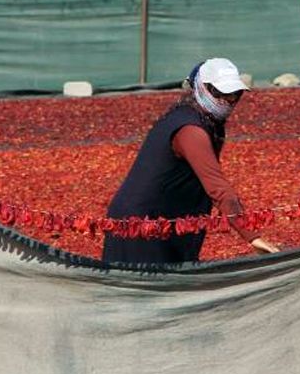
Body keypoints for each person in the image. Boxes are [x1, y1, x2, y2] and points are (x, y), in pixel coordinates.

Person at [103, 58, 280, 265]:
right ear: (200, 88)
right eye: (220, 92)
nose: (229, 99)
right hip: (140, 227)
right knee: (143, 291)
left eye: (235, 94)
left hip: (166, 223)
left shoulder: (207, 122)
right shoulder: (190, 130)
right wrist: (252, 236)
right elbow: (217, 187)